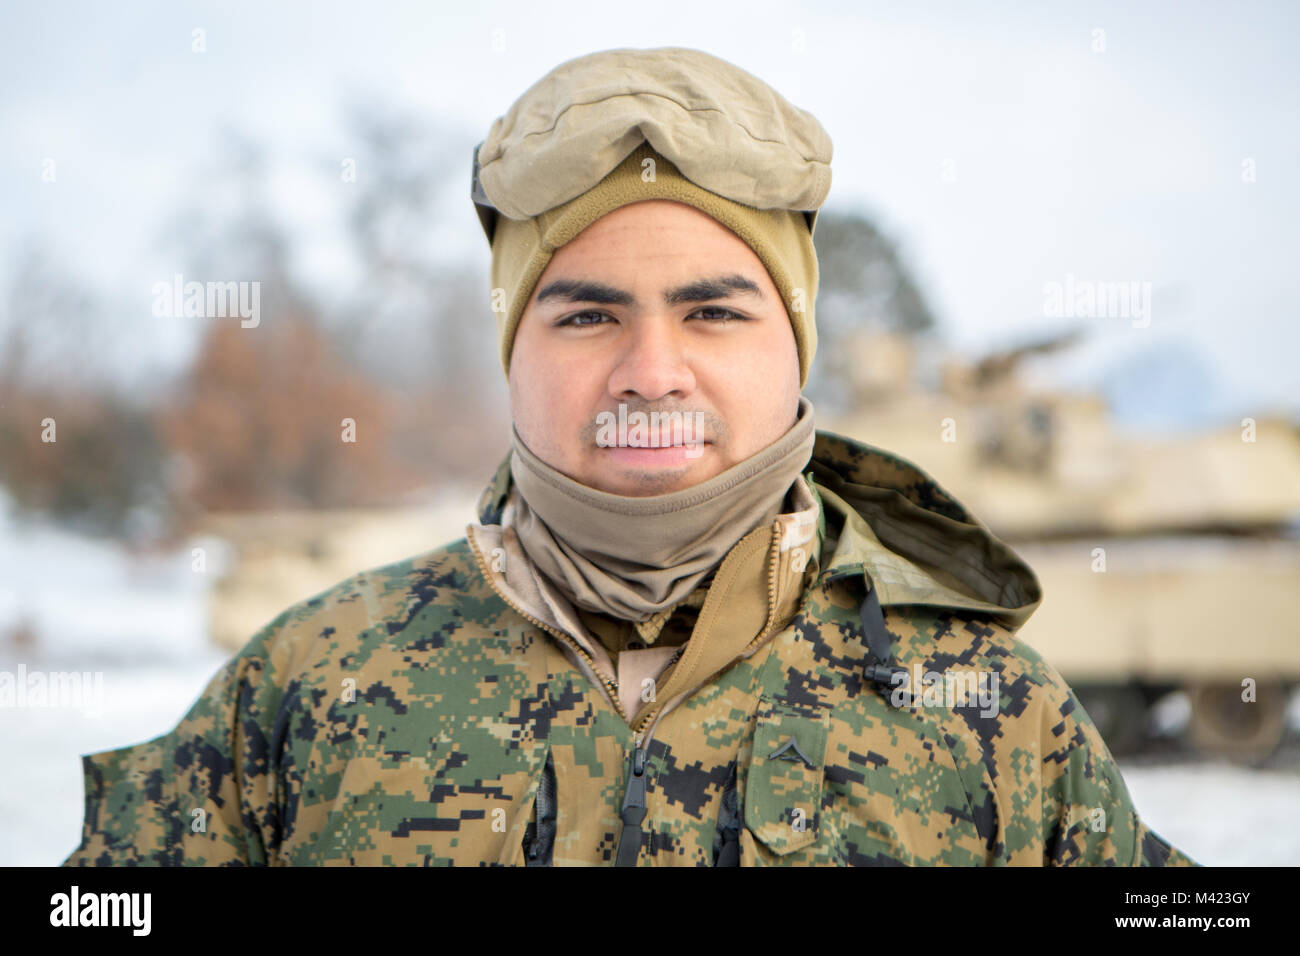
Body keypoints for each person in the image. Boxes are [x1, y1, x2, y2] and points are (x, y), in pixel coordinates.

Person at [63, 46, 1196, 867]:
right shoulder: (305, 690)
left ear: (795, 345)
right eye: (586, 314)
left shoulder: (993, 709)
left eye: (712, 312)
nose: (651, 369)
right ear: (510, 349)